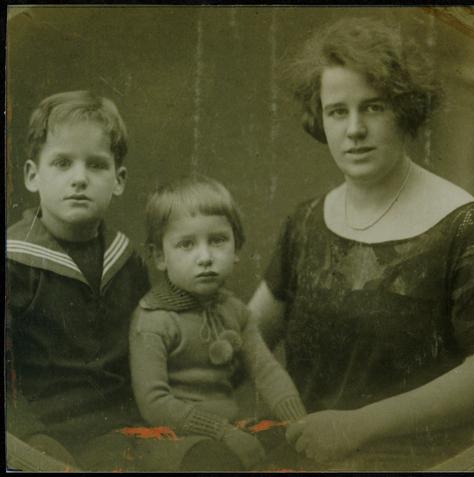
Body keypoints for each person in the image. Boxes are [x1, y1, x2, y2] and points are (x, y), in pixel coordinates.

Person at [248, 17, 474, 471]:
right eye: (337, 112)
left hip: (420, 461)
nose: (354, 129)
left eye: (374, 107)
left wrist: (358, 426)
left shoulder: (460, 224)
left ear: (405, 109)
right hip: (307, 456)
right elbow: (243, 333)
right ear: (320, 119)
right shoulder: (305, 223)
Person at [6, 91, 186, 472]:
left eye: (96, 165)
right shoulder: (14, 262)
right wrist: (31, 437)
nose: (79, 179)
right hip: (41, 432)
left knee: (203, 457)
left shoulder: (127, 260)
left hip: (121, 428)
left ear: (119, 180)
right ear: (32, 176)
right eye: (62, 163)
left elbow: (146, 360)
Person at [129, 175, 307, 471]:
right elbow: (154, 403)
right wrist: (222, 432)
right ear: (160, 256)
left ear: (236, 249)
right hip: (174, 436)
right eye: (186, 244)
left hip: (228, 429)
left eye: (217, 240)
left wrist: (300, 423)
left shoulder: (235, 311)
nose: (205, 257)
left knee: (288, 445)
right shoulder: (154, 318)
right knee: (213, 461)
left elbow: (267, 372)